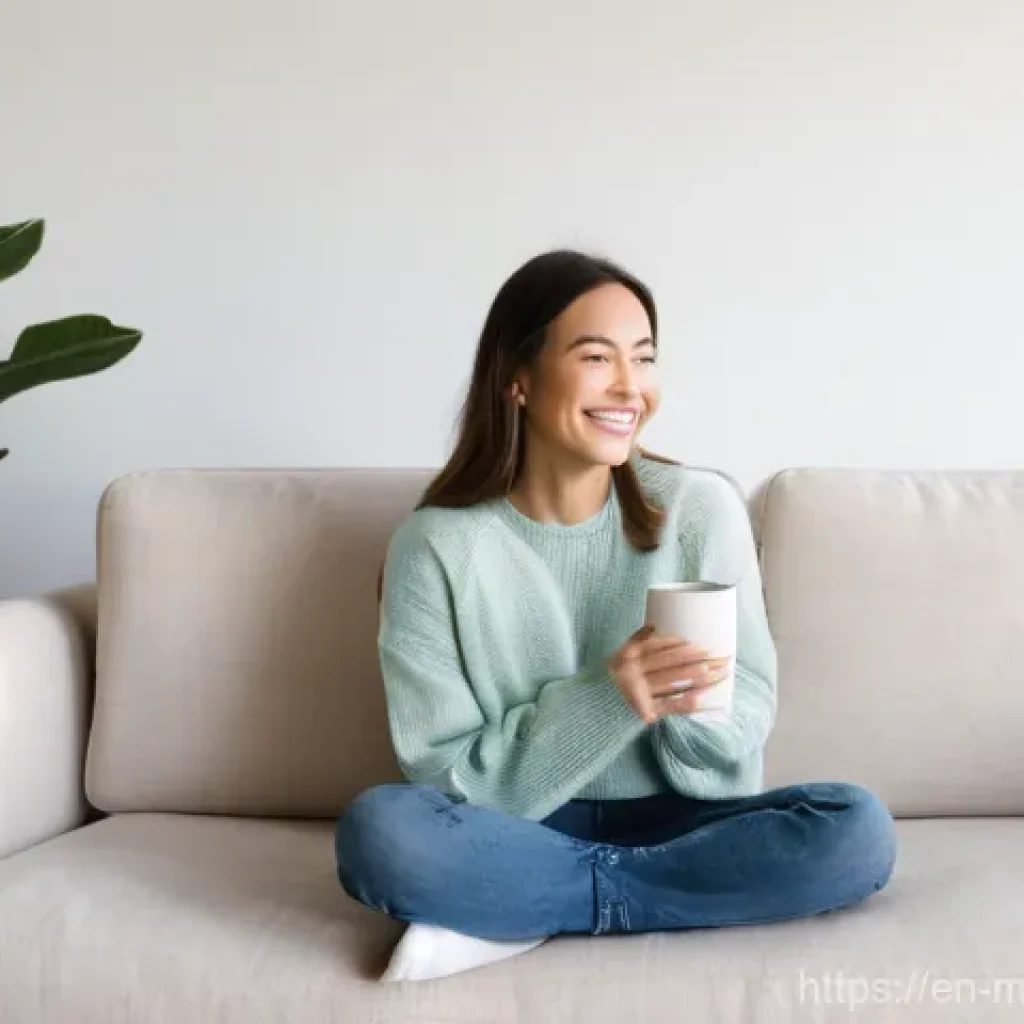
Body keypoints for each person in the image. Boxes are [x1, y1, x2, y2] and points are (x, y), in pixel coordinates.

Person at [335, 250, 897, 983]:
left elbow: (750, 709)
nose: (631, 388)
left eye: (644, 358)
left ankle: (526, 912)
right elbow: (440, 772)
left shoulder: (699, 509)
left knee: (856, 832)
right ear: (520, 378)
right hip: (517, 829)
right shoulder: (435, 546)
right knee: (379, 835)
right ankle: (593, 898)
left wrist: (684, 703)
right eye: (598, 357)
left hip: (687, 819)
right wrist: (610, 697)